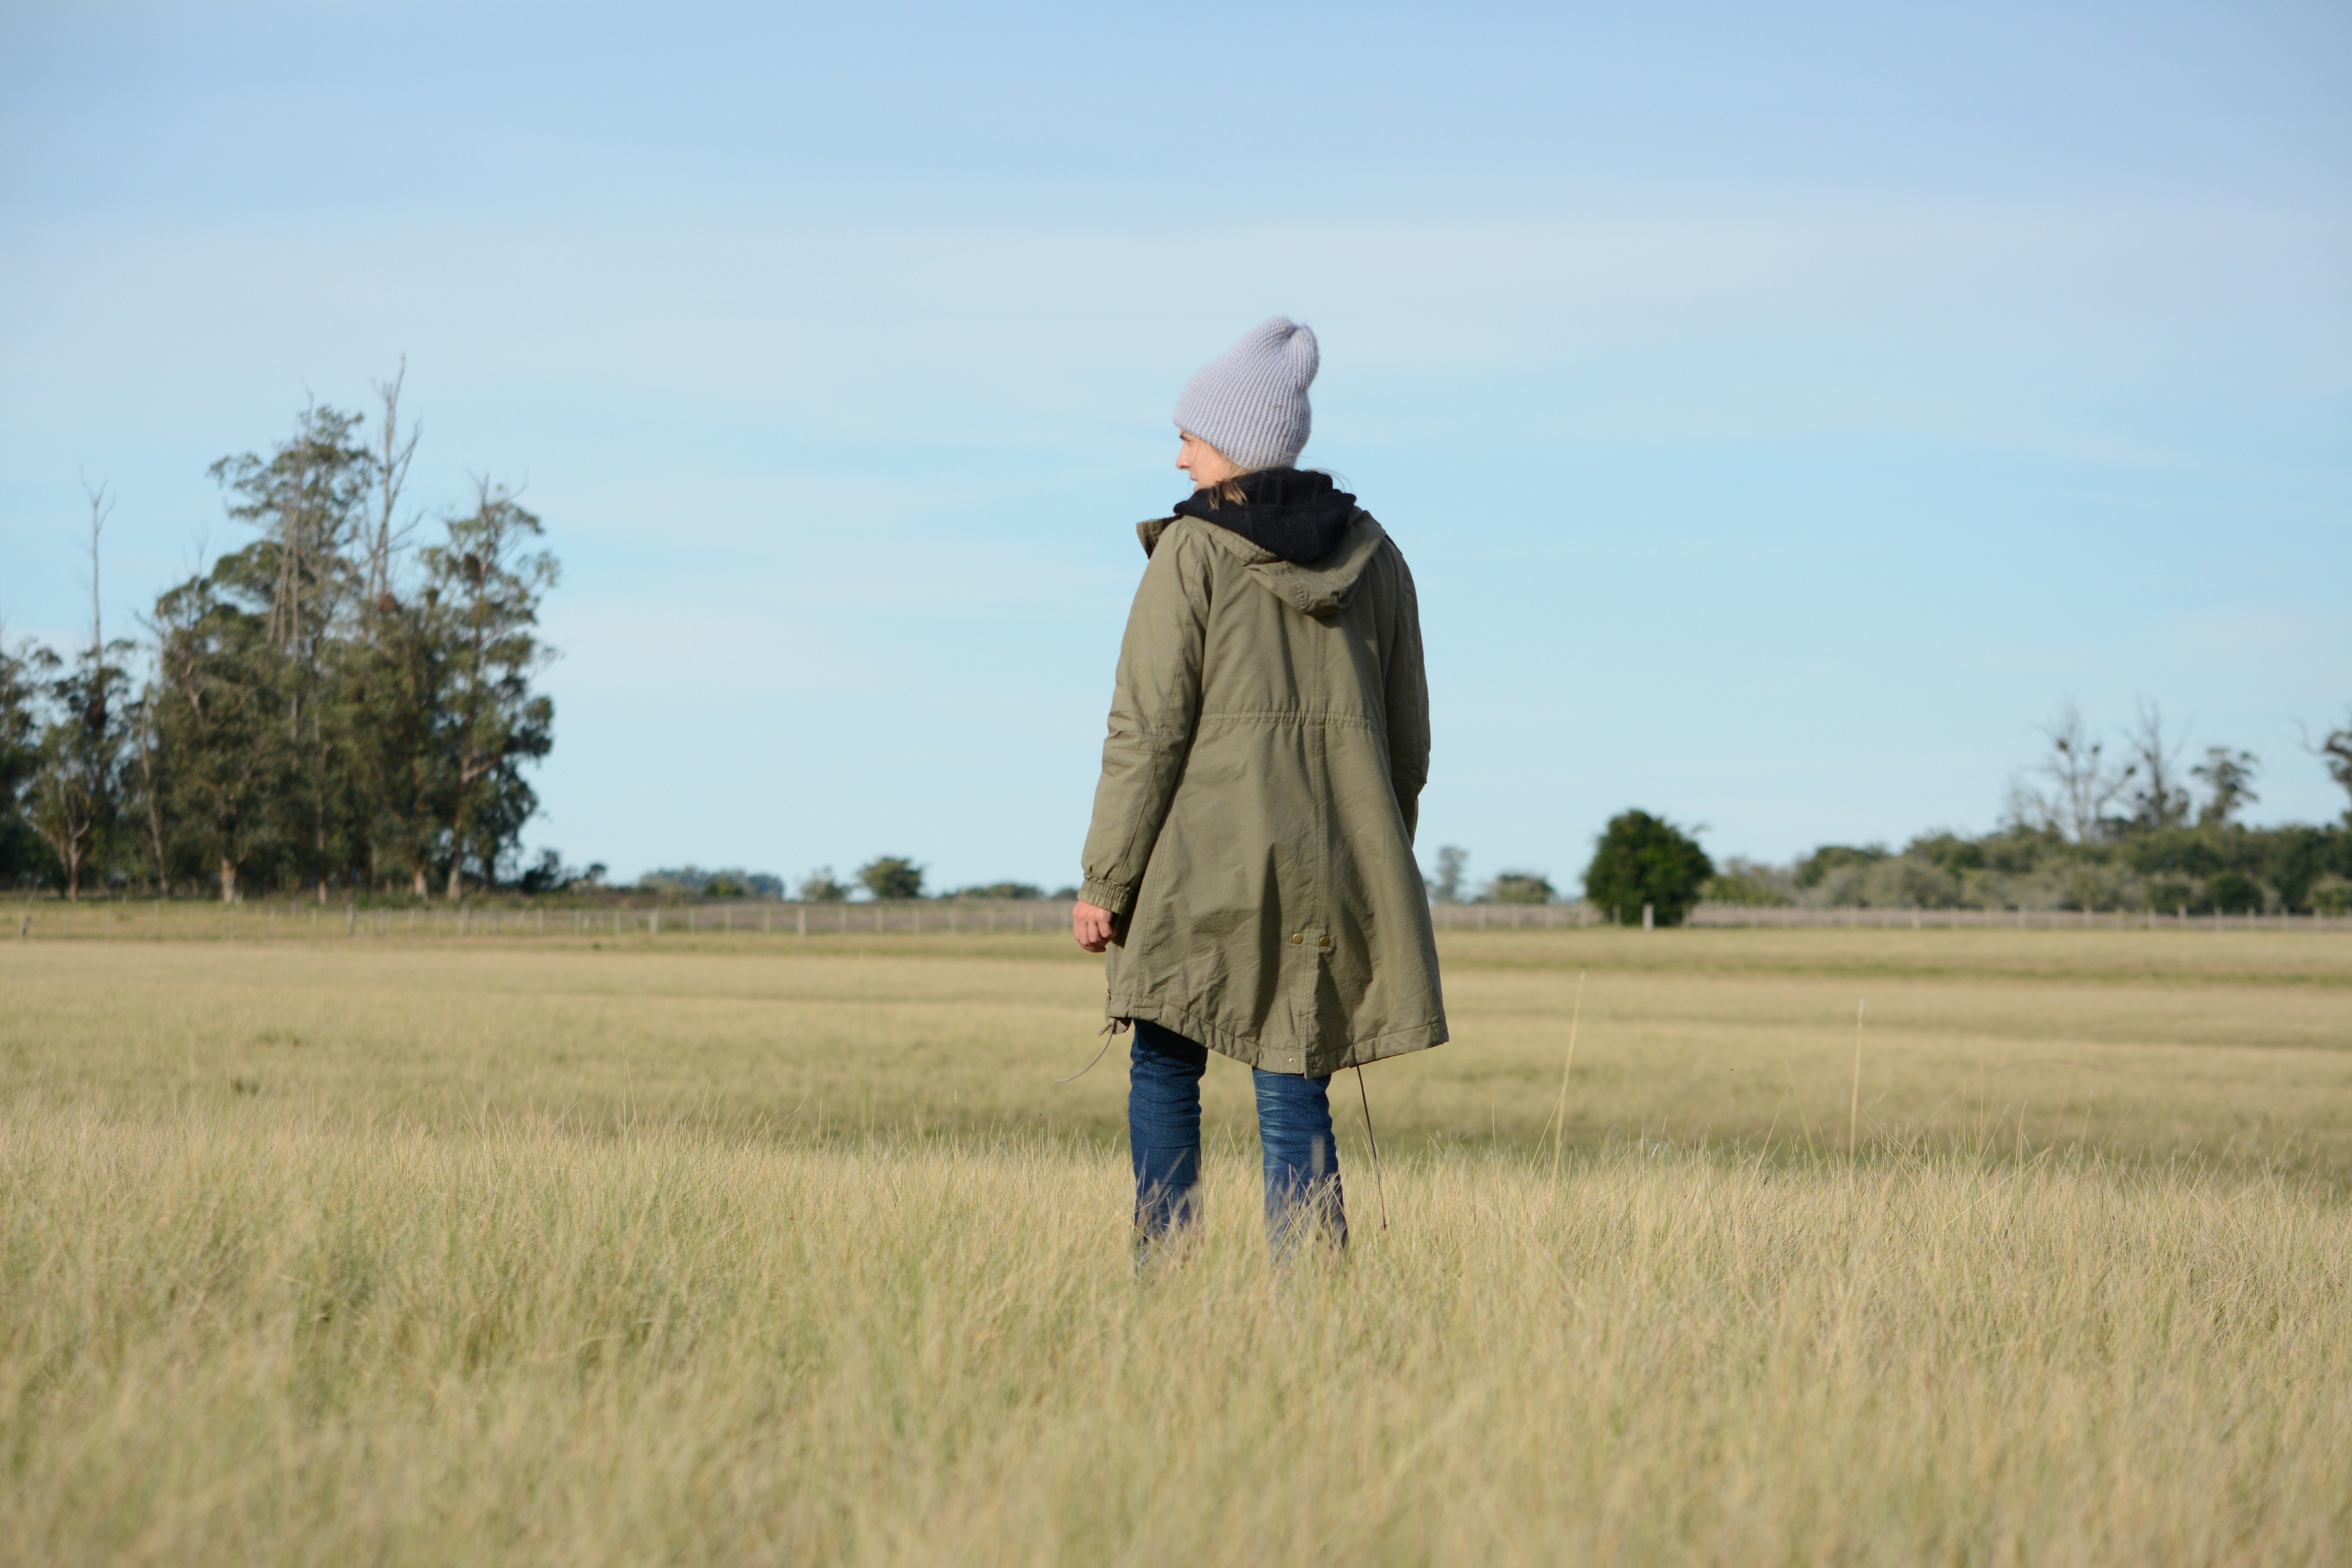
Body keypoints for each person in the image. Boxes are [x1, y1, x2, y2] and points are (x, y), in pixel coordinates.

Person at [1072, 316, 1446, 1260]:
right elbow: (1409, 738)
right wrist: (1377, 850)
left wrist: (1105, 880)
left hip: (1194, 864)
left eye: (1189, 438)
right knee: (1296, 1072)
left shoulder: (1192, 553)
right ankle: (1312, 1299)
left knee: (1164, 1058)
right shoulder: (1379, 555)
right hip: (1332, 868)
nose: (1177, 459)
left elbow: (1145, 730)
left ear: (1233, 443)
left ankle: (1164, 1272)